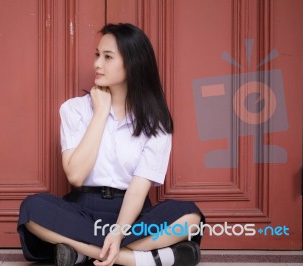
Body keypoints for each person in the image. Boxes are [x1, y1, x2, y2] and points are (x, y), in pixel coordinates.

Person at [17, 23, 205, 266]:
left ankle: (83, 253)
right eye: (97, 55)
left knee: (190, 216)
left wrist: (118, 232)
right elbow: (75, 175)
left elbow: (138, 189)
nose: (97, 64)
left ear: (133, 63)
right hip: (82, 211)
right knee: (32, 210)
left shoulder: (156, 121)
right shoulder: (74, 109)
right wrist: (100, 113)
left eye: (107, 57)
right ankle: (144, 260)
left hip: (132, 214)